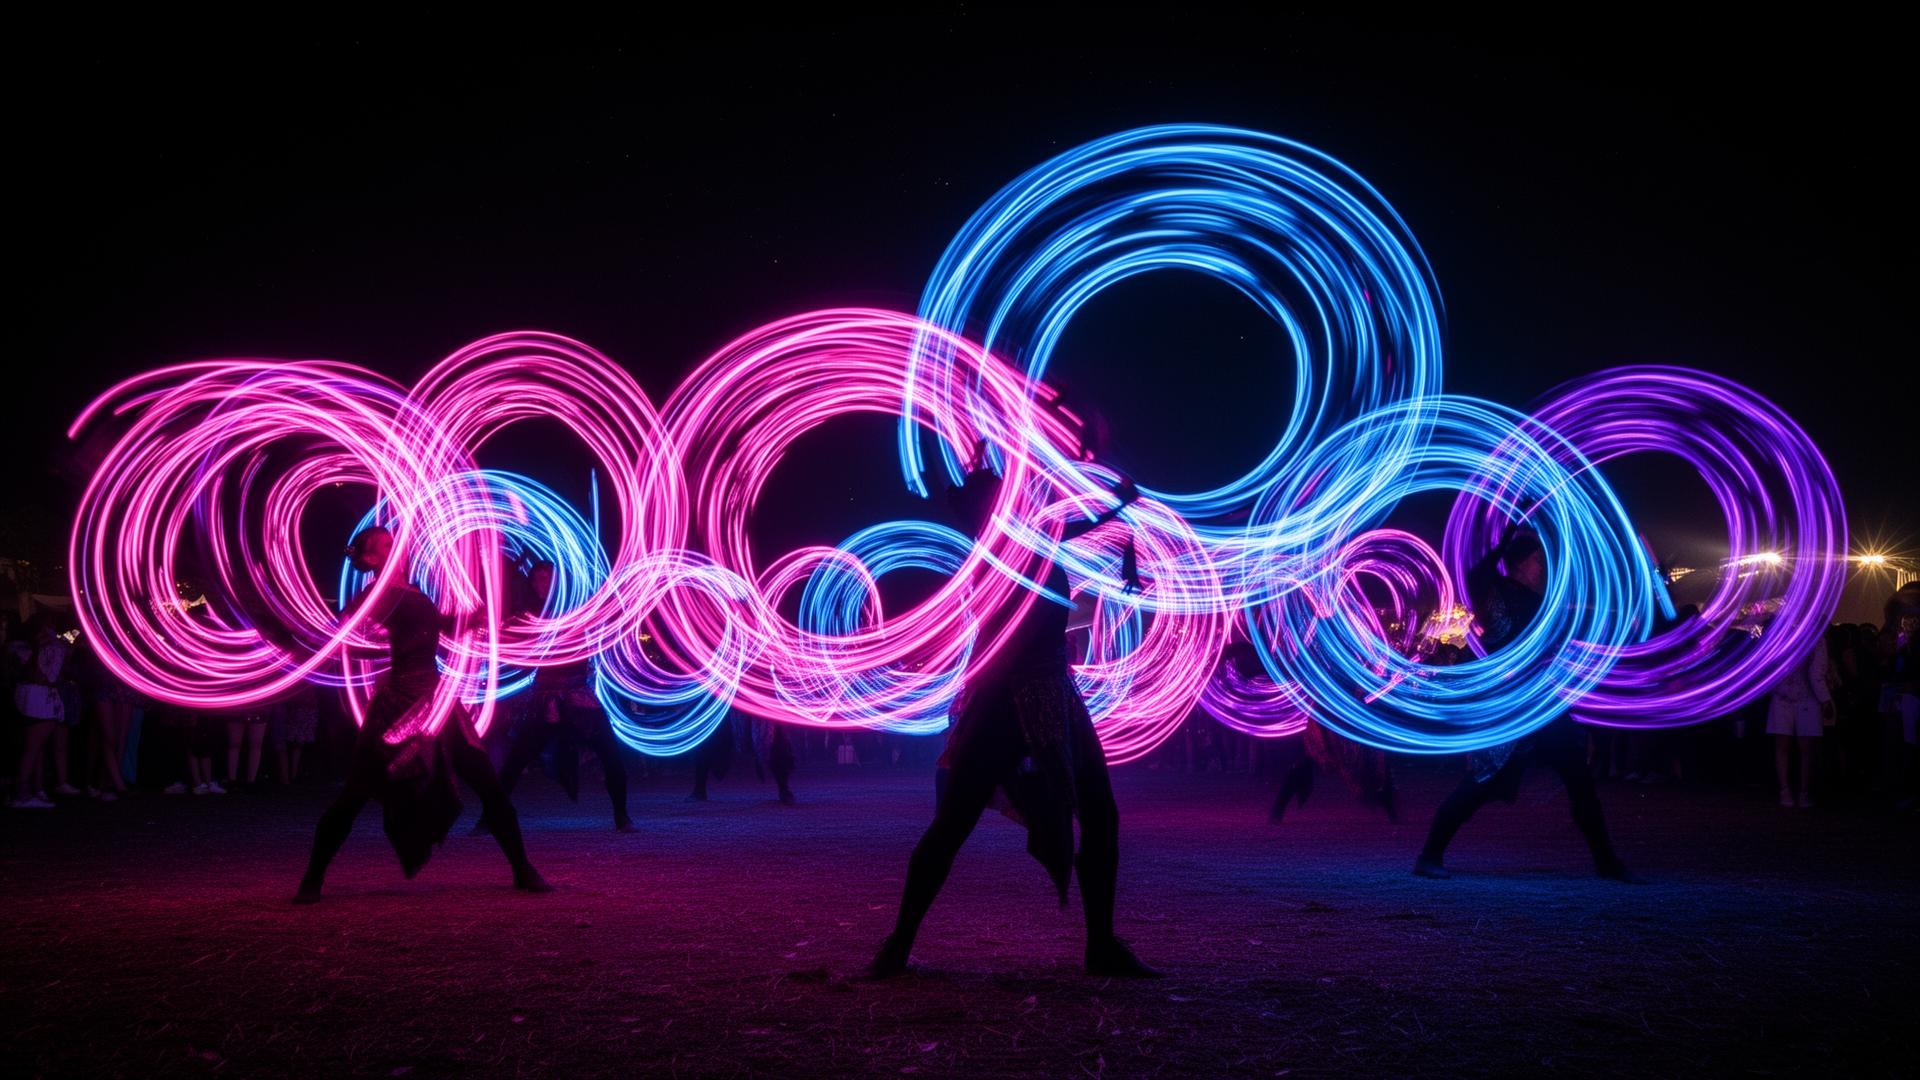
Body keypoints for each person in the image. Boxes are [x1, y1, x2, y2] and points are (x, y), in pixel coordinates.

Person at [868, 462, 1157, 978]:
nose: (1023, 504)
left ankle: (1101, 946)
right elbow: (1078, 526)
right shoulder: (1000, 548)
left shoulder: (1029, 540)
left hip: (1052, 691)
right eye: (1004, 497)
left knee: (1098, 815)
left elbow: (1087, 528)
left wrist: (1121, 514)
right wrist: (1118, 501)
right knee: (952, 824)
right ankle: (896, 947)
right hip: (1009, 695)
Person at [294, 526, 550, 902]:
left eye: (392, 540)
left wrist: (467, 621)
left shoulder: (415, 592)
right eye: (383, 544)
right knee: (354, 794)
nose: (394, 545)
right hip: (398, 706)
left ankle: (523, 869)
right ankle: (312, 878)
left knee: (487, 783)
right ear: (370, 559)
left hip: (438, 700)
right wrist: (362, 653)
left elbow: (436, 629)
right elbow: (344, 636)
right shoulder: (376, 597)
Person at [1413, 529, 1638, 882]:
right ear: (1517, 564)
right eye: (1537, 561)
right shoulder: (1496, 592)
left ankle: (1607, 862)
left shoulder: (1545, 603)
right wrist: (1504, 541)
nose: (1543, 568)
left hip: (1543, 706)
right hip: (1511, 710)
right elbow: (1476, 574)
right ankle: (1429, 856)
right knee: (1480, 784)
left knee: (1580, 781)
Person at [490, 562, 635, 832]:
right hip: (544, 698)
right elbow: (517, 654)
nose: (540, 584)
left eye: (546, 579)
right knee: (516, 759)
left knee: (611, 755)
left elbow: (607, 620)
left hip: (578, 696)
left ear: (558, 582)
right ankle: (489, 818)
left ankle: (622, 816)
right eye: (536, 579)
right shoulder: (528, 617)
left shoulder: (576, 612)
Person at [9, 614, 72, 808]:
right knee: (32, 748)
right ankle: (21, 794)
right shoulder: (50, 647)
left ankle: (36, 790)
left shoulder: (19, 646)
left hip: (27, 695)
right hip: (41, 698)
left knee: (35, 747)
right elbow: (50, 674)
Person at [1767, 634, 1833, 808]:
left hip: (1786, 694)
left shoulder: (1783, 632)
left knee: (1785, 746)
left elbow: (1769, 664)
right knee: (1803, 748)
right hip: (1802, 695)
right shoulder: (1815, 635)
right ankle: (1799, 792)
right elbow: (1817, 672)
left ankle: (1787, 791)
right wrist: (1825, 699)